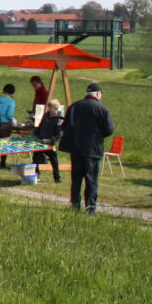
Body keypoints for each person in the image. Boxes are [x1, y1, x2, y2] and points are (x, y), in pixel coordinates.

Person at [59, 82, 115, 214]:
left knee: (76, 179)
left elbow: (64, 126)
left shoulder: (74, 106)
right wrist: (98, 136)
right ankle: (90, 208)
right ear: (97, 94)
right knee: (91, 180)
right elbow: (109, 129)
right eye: (101, 94)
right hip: (92, 149)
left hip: (76, 148)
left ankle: (75, 205)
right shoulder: (101, 108)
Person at [33, 98, 64, 183]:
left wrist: (50, 140)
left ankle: (57, 178)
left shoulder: (59, 119)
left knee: (54, 161)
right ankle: (36, 175)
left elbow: (59, 134)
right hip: (41, 142)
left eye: (57, 108)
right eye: (54, 108)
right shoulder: (46, 116)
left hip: (51, 144)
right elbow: (40, 127)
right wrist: (35, 134)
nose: (56, 110)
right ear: (50, 108)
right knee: (35, 159)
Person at [0, 83, 16, 169]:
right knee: (4, 144)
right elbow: (9, 115)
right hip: (4, 125)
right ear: (12, 93)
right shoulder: (11, 101)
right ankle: (2, 163)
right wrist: (14, 122)